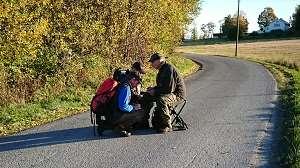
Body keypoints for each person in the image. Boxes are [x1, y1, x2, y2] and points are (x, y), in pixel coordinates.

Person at [146, 53, 186, 133]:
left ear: (159, 61)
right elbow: (162, 86)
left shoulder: (168, 69)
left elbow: (169, 89)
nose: (152, 64)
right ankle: (143, 122)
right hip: (169, 92)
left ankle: (167, 125)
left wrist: (155, 91)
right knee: (145, 96)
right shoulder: (162, 69)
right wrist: (153, 89)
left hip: (177, 94)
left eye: (153, 62)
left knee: (162, 100)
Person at [112, 71, 146, 137]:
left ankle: (122, 125)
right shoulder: (126, 88)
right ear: (133, 80)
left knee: (137, 107)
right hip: (116, 115)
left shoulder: (124, 83)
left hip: (114, 112)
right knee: (141, 112)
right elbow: (123, 106)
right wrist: (133, 108)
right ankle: (121, 126)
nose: (137, 84)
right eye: (138, 82)